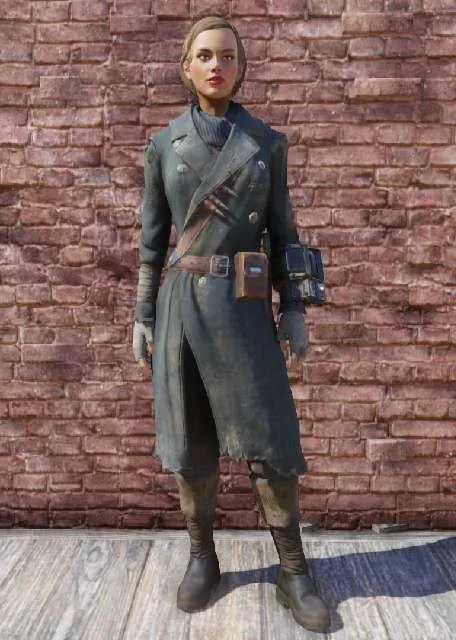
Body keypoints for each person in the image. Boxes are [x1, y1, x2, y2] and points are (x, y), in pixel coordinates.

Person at [132, 16, 330, 633]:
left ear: (241, 67)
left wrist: (294, 309)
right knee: (190, 444)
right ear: (186, 67)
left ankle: (292, 570)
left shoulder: (265, 143)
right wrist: (142, 313)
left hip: (243, 308)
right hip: (182, 310)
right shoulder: (163, 145)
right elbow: (152, 243)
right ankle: (202, 558)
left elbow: (286, 234)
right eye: (204, 56)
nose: (216, 65)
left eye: (227, 56)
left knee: (272, 439)